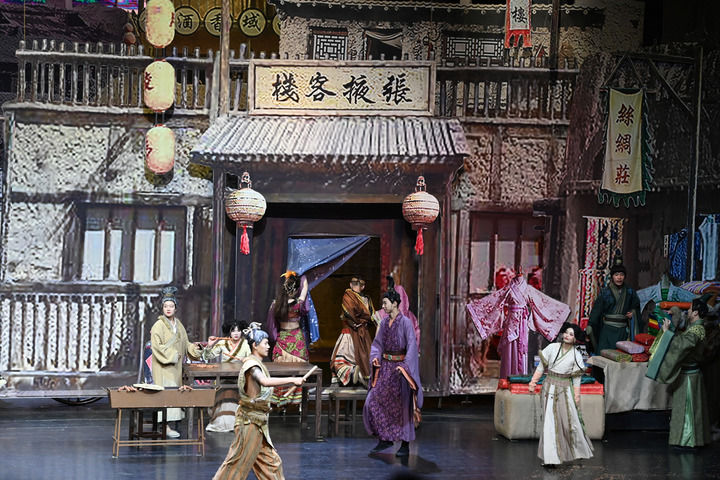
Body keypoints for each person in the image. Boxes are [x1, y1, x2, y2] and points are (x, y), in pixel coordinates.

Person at [213, 323, 304, 480]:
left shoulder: (256, 363)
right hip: (250, 423)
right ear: (255, 345)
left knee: (271, 463)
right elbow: (264, 381)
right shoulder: (252, 366)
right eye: (265, 343)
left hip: (258, 423)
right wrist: (292, 379)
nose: (268, 346)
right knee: (237, 464)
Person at [363, 277, 422, 458]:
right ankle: (385, 438)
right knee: (374, 400)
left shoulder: (406, 322)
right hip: (385, 368)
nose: (383, 306)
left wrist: (405, 367)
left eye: (385, 303)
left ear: (395, 303)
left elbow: (412, 346)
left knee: (403, 406)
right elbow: (377, 344)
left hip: (401, 370)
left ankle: (404, 444)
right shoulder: (383, 323)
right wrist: (375, 358)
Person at [529, 322, 593, 466]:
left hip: (565, 389)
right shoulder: (552, 348)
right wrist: (533, 382)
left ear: (575, 339)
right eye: (566, 332)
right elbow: (541, 367)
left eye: (571, 334)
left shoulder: (576, 355)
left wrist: (576, 396)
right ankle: (550, 458)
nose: (567, 336)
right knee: (549, 422)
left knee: (569, 422)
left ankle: (576, 450)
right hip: (549, 386)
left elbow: (576, 379)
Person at [649, 298, 711, 448]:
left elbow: (682, 344)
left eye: (689, 309)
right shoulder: (694, 327)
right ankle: (686, 439)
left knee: (688, 409)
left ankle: (687, 440)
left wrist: (666, 333)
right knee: (687, 408)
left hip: (690, 377)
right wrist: (674, 315)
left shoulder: (697, 330)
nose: (687, 311)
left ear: (695, 312)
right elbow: (682, 337)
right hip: (689, 374)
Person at [150, 286, 204, 438]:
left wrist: (196, 349)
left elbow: (186, 344)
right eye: (166, 306)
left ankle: (171, 425)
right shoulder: (158, 326)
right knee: (166, 395)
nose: (168, 309)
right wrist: (173, 355)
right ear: (162, 308)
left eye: (171, 306)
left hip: (176, 368)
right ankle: (165, 426)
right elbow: (157, 347)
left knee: (174, 393)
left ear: (176, 308)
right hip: (163, 367)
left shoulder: (179, 325)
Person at [267, 271, 309, 406]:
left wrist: (274, 338)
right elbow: (305, 290)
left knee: (281, 371)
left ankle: (280, 402)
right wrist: (303, 278)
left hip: (283, 340)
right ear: (295, 290)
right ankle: (296, 402)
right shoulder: (298, 304)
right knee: (298, 370)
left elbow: (271, 327)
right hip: (297, 340)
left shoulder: (276, 305)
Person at [203, 319, 251, 432]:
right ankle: (220, 421)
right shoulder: (222, 343)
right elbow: (207, 356)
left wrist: (246, 359)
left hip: (239, 378)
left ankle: (238, 422)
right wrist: (209, 345)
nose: (236, 333)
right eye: (233, 331)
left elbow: (250, 358)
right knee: (224, 393)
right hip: (223, 378)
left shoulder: (244, 343)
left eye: (238, 331)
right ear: (229, 332)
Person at [586, 254, 641, 353]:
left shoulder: (630, 292)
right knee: (603, 355)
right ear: (612, 276)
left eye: (622, 275)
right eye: (616, 275)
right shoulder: (605, 292)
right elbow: (596, 310)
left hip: (623, 331)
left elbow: (636, 307)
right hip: (607, 330)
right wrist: (590, 324)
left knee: (621, 357)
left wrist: (633, 313)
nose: (619, 277)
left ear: (625, 276)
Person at [330, 276, 375, 387]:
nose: (356, 286)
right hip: (351, 331)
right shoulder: (349, 295)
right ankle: (354, 373)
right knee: (341, 360)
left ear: (363, 286)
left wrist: (362, 320)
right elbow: (352, 313)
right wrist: (362, 320)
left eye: (359, 284)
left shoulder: (366, 299)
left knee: (360, 358)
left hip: (360, 333)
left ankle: (357, 374)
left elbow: (371, 316)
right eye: (354, 283)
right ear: (350, 285)